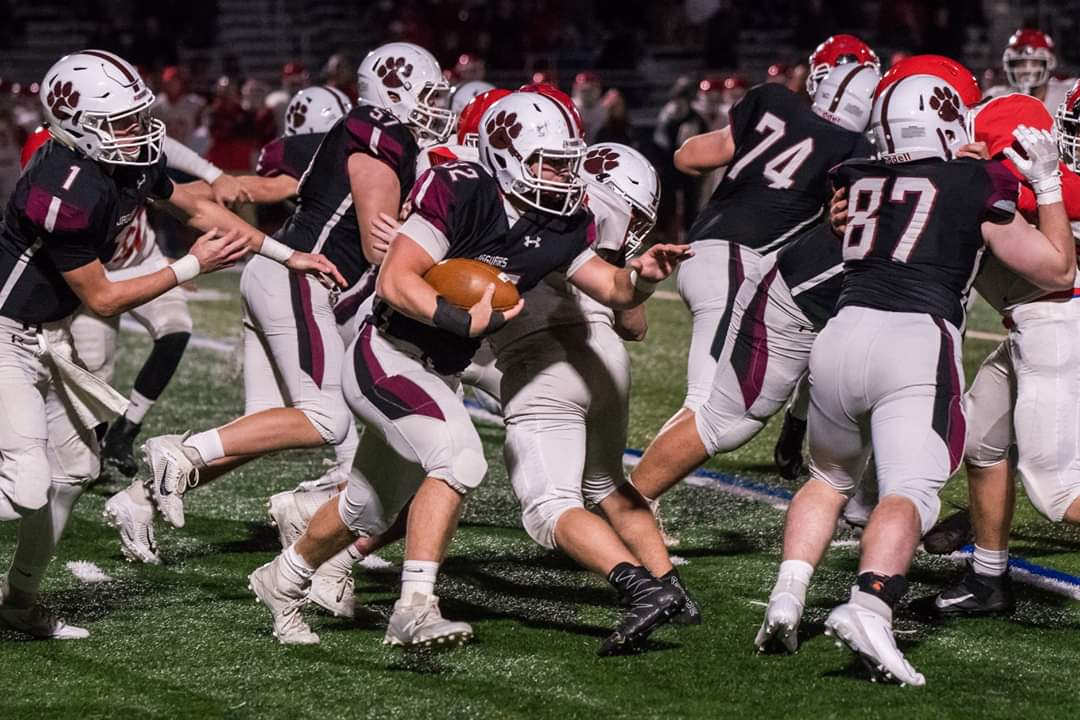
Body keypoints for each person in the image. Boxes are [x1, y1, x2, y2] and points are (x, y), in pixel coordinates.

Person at [246, 91, 692, 648]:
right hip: (386, 351)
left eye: (568, 162)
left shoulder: (558, 222)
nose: (564, 176)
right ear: (507, 153)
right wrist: (461, 318)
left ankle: (282, 576)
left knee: (367, 505)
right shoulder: (460, 189)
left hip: (438, 364)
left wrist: (644, 277)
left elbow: (613, 288)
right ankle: (415, 607)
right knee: (458, 455)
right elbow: (395, 281)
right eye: (550, 162)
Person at [0, 49, 336, 640]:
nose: (138, 131)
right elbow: (103, 300)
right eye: (122, 122)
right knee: (25, 484)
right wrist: (189, 267)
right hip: (6, 335)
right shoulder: (61, 187)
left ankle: (18, 603)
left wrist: (291, 254)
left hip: (47, 338)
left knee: (74, 469)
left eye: (136, 116)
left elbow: (200, 208)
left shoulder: (118, 162)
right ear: (75, 123)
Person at [756, 74, 1073, 686]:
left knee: (829, 478)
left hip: (842, 335)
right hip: (914, 339)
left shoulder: (855, 174)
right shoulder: (978, 180)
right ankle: (871, 607)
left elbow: (869, 205)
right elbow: (1058, 268)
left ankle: (787, 595)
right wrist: (1046, 182)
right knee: (909, 492)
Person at [129, 42, 448, 538]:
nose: (435, 107)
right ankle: (184, 453)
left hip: (282, 270)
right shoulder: (382, 130)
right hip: (302, 274)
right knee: (327, 419)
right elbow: (376, 244)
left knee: (264, 426)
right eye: (426, 95)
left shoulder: (378, 133)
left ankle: (141, 498)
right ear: (393, 90)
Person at [632, 63, 877, 528]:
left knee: (709, 407)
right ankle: (629, 504)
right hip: (740, 265)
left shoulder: (772, 101)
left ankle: (633, 501)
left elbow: (689, 157)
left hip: (701, 252)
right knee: (715, 412)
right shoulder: (853, 148)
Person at [917, 89, 1080, 616]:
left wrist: (995, 175)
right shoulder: (1037, 177)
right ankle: (988, 578)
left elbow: (1048, 200)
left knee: (1056, 492)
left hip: (1062, 324)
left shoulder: (1038, 183)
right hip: (1034, 325)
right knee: (983, 437)